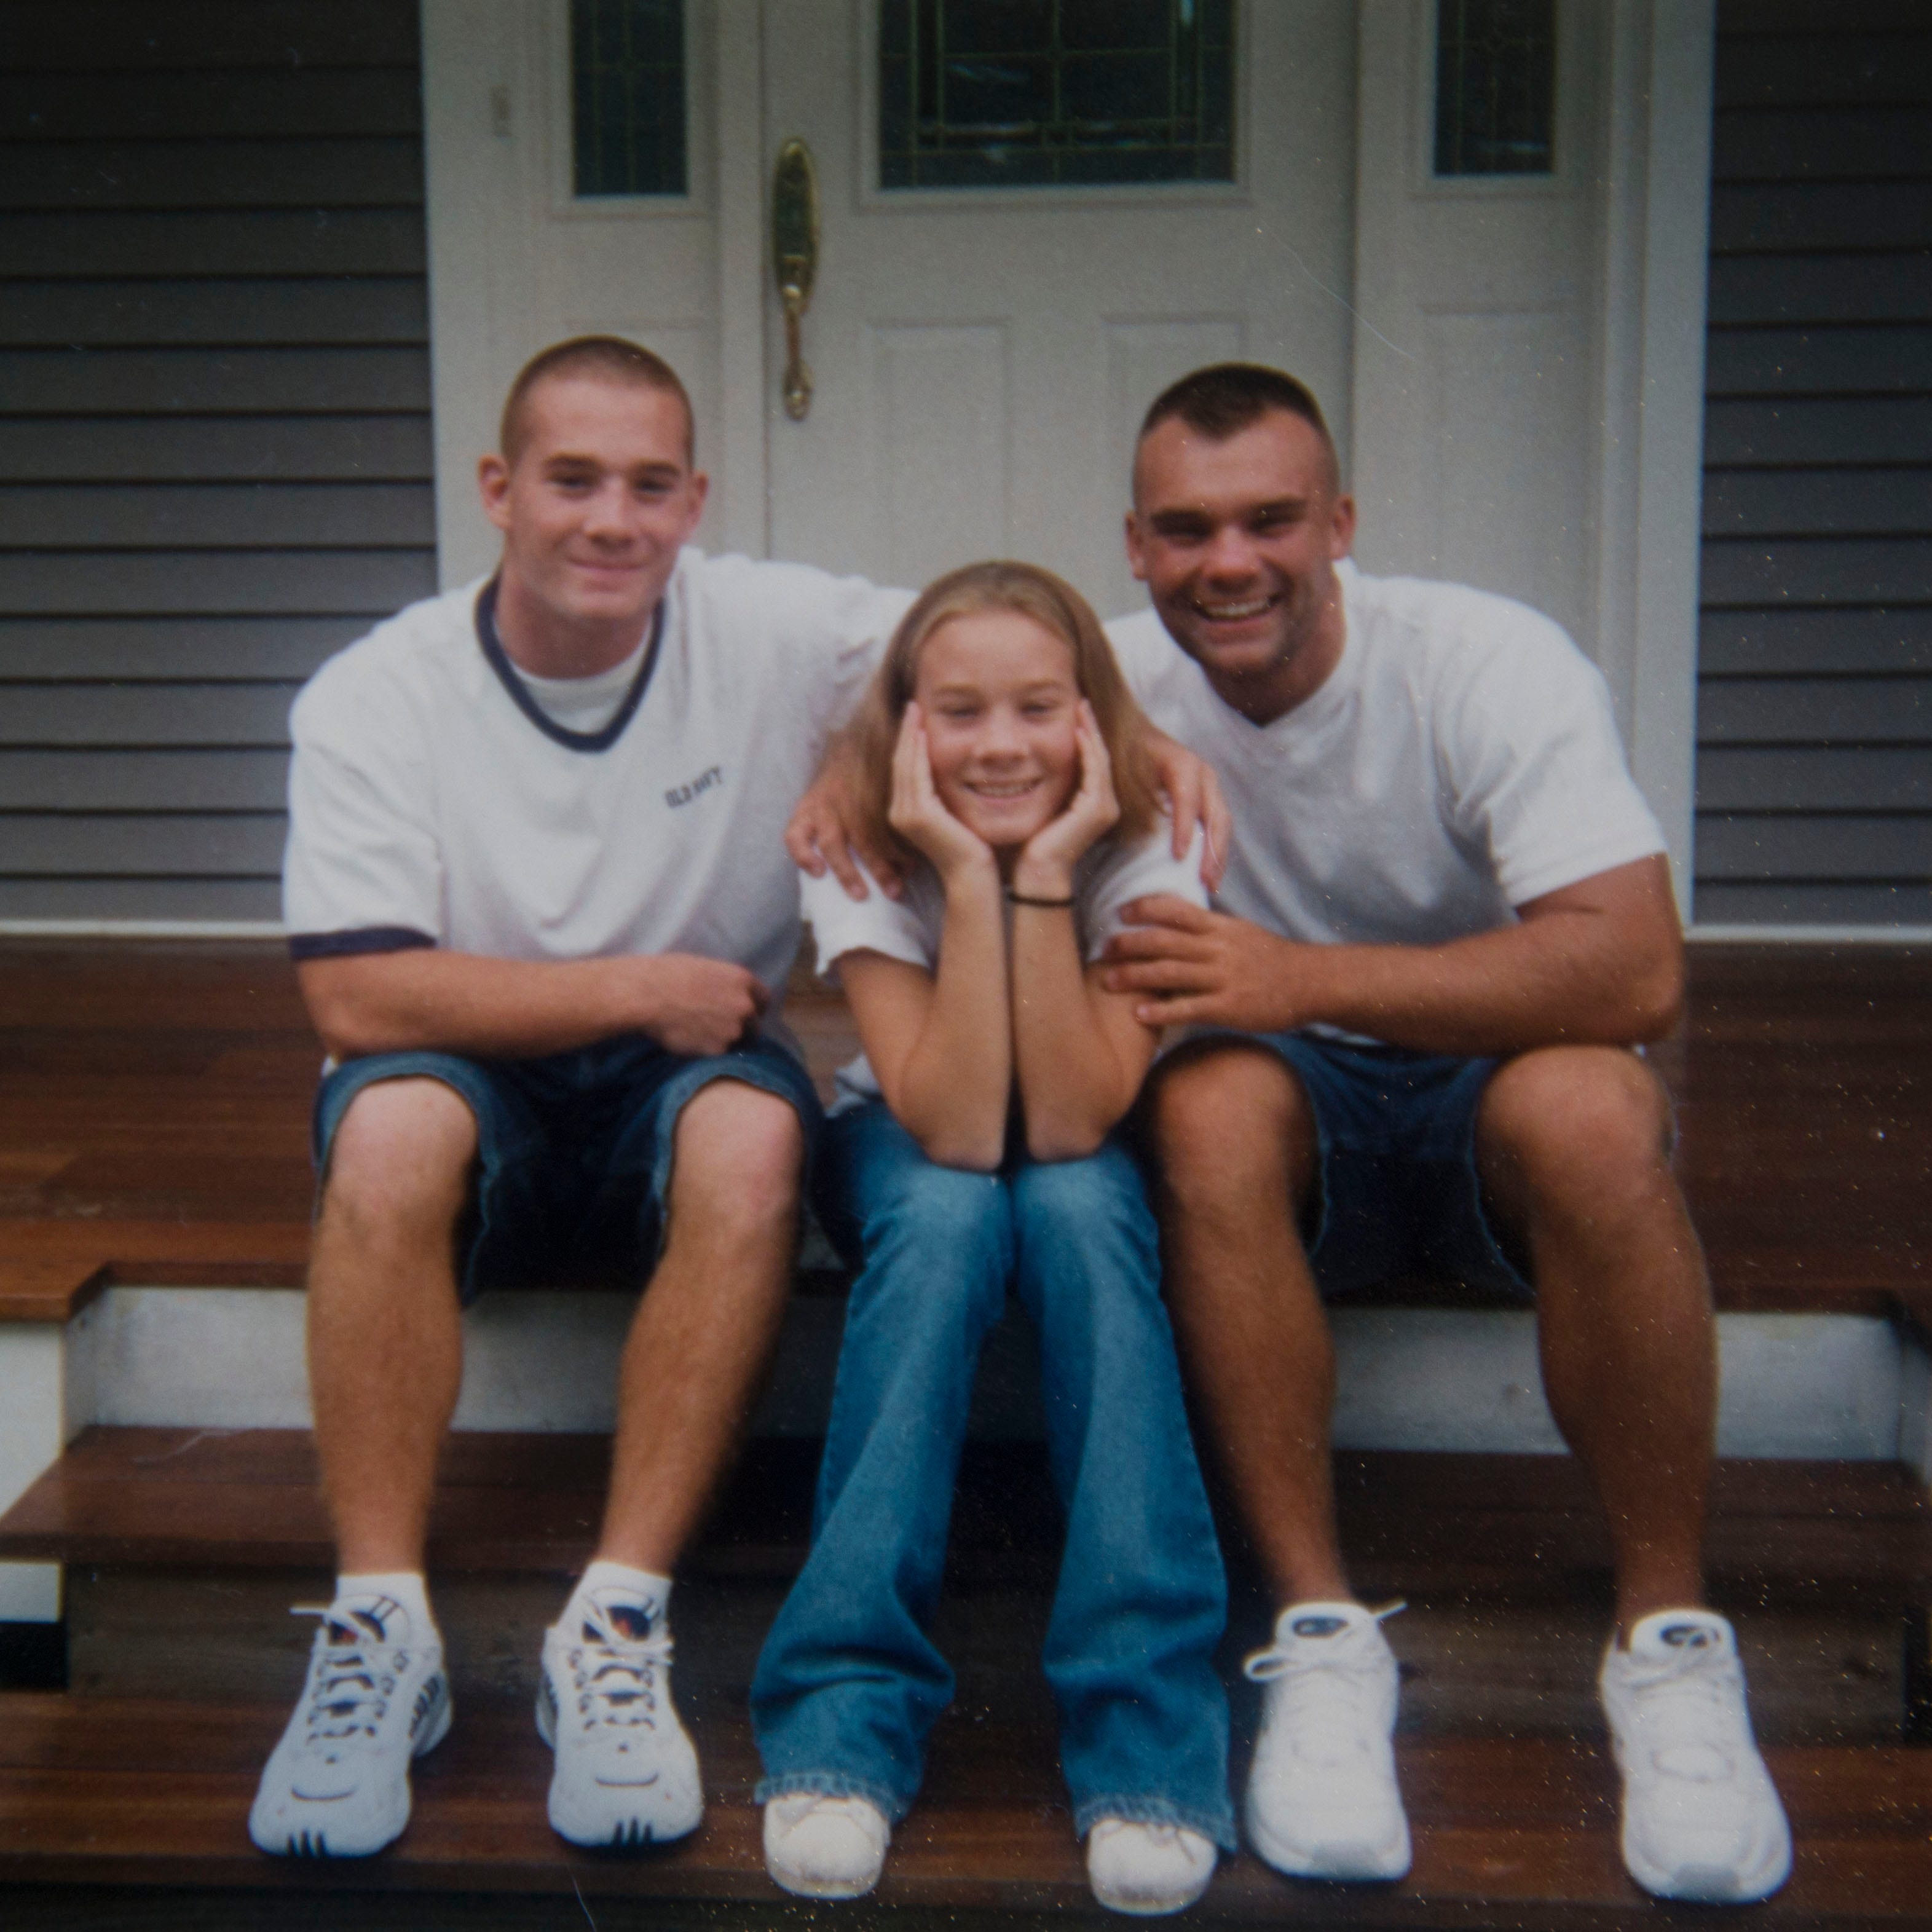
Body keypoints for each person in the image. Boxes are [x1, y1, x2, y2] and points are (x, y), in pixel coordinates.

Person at [791, 364, 1791, 1906]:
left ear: (1341, 522)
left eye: (1270, 520)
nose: (1230, 562)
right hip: (1241, 1084)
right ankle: (1320, 1634)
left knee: (1598, 1107)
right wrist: (847, 777)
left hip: (1479, 1072)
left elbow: (1637, 971)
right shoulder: (1092, 692)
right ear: (1134, 546)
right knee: (1200, 1109)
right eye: (1187, 530)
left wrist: (1295, 975)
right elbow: (912, 655)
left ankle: (1668, 1643)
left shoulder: (1482, 664)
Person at [251, 336, 1224, 1861]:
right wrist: (643, 986)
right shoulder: (379, 693)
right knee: (388, 1125)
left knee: (764, 1134)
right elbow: (357, 998)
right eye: (571, 480)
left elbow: (975, 649)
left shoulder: (769, 624)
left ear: (697, 500)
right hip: (473, 1067)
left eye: (651, 485)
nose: (612, 521)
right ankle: (383, 1629)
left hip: (691, 1086)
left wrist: (1136, 724)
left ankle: (619, 1618)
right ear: (498, 490)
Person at [752, 563, 1232, 1915]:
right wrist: (967, 871)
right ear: (905, 726)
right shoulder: (863, 842)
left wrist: (1054, 864)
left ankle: (1149, 1746)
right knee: (958, 1212)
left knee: (1079, 1207)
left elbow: (1071, 1120)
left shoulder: (1155, 844)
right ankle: (841, 1719)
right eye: (958, 711)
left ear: (1092, 715)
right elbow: (959, 1127)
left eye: (1037, 707)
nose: (1002, 745)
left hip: (1084, 1141)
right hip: (912, 1142)